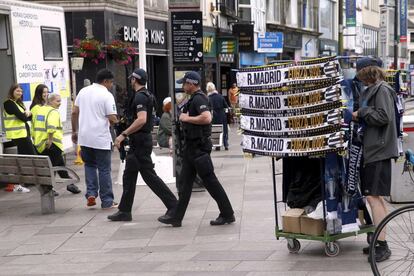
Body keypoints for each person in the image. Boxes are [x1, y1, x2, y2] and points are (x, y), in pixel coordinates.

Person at [158, 71, 235, 227]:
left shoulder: (199, 98)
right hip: (191, 149)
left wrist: (187, 118)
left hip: (198, 149)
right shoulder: (193, 98)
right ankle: (177, 217)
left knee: (211, 182)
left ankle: (227, 213)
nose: (183, 86)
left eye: (185, 83)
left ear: (191, 84)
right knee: (185, 184)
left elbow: (207, 118)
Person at [108, 68, 178, 222]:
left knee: (149, 176)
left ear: (135, 80)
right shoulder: (147, 95)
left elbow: (141, 119)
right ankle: (124, 211)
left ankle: (173, 206)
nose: (130, 81)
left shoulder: (140, 96)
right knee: (129, 175)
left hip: (140, 141)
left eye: (131, 79)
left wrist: (123, 134)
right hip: (140, 141)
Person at [352, 57, 398, 262]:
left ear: (367, 72)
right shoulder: (371, 90)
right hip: (371, 149)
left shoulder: (382, 90)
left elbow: (383, 116)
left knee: (374, 198)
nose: (358, 77)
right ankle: (378, 240)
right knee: (373, 198)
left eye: (360, 73)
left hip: (378, 151)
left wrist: (361, 112)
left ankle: (382, 245)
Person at [71, 69, 118, 209]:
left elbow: (74, 112)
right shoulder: (106, 95)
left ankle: (91, 193)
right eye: (111, 82)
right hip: (100, 138)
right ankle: (107, 201)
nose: (111, 85)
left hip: (84, 138)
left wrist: (75, 131)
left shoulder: (83, 91)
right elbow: (112, 117)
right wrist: (116, 121)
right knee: (104, 169)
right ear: (105, 81)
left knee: (90, 165)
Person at [32, 93, 81, 195]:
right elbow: (51, 127)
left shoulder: (41, 110)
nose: (60, 103)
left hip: (40, 144)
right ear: (50, 101)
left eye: (60, 101)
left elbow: (34, 126)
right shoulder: (53, 112)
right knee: (52, 168)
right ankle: (48, 189)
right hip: (52, 144)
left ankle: (69, 184)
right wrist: (50, 140)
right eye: (57, 101)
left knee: (59, 163)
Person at [3, 84, 34, 193]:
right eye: (17, 91)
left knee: (26, 157)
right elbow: (23, 117)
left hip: (23, 134)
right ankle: (24, 181)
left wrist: (28, 114)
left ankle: (27, 180)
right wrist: (27, 114)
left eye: (21, 91)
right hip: (17, 136)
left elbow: (29, 117)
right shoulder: (8, 104)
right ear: (12, 91)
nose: (19, 93)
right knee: (32, 156)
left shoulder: (18, 103)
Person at [207, 82, 229, 150]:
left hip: (213, 116)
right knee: (224, 130)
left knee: (215, 130)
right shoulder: (220, 96)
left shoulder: (208, 98)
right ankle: (225, 144)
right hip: (222, 115)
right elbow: (226, 106)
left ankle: (217, 145)